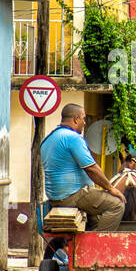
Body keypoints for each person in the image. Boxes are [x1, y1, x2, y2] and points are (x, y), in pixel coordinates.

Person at [40, 102, 125, 240]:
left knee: (94, 221)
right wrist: (111, 188)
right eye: (83, 118)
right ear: (75, 119)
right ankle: (99, 244)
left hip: (55, 197)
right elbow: (91, 168)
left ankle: (86, 245)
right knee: (116, 205)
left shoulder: (48, 139)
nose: (84, 123)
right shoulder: (73, 138)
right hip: (73, 195)